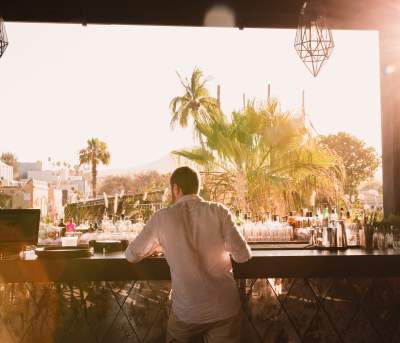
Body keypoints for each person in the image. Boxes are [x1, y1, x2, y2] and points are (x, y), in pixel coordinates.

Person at [125, 166, 251, 343]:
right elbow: (242, 255)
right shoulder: (219, 211)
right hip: (224, 309)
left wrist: (158, 246)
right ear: (197, 187)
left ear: (176, 188)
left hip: (188, 313)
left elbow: (131, 255)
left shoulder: (162, 217)